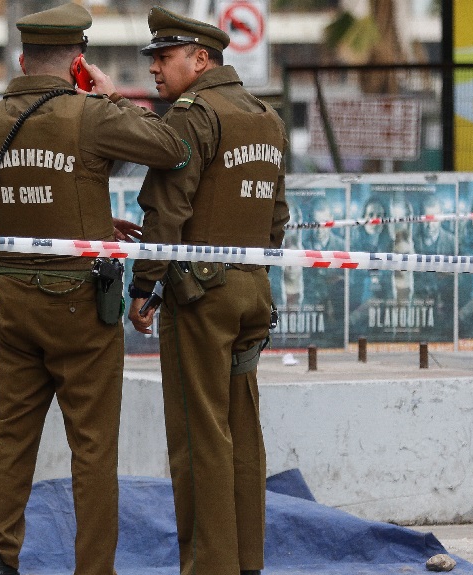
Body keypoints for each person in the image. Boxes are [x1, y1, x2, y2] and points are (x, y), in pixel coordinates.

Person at [0, 3, 189, 575]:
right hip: (78, 308)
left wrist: (84, 221)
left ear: (21, 59)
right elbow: (170, 149)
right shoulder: (89, 113)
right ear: (78, 62)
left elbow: (18, 196)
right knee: (92, 447)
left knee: (9, 437)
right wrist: (112, 95)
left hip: (11, 302)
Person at [124, 7, 288, 575]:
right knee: (245, 432)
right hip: (253, 292)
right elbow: (276, 217)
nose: (155, 71)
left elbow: (167, 208)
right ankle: (247, 562)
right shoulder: (265, 116)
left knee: (200, 438)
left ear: (201, 59)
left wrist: (144, 285)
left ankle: (208, 566)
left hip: (201, 297)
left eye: (164, 58)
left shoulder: (193, 115)